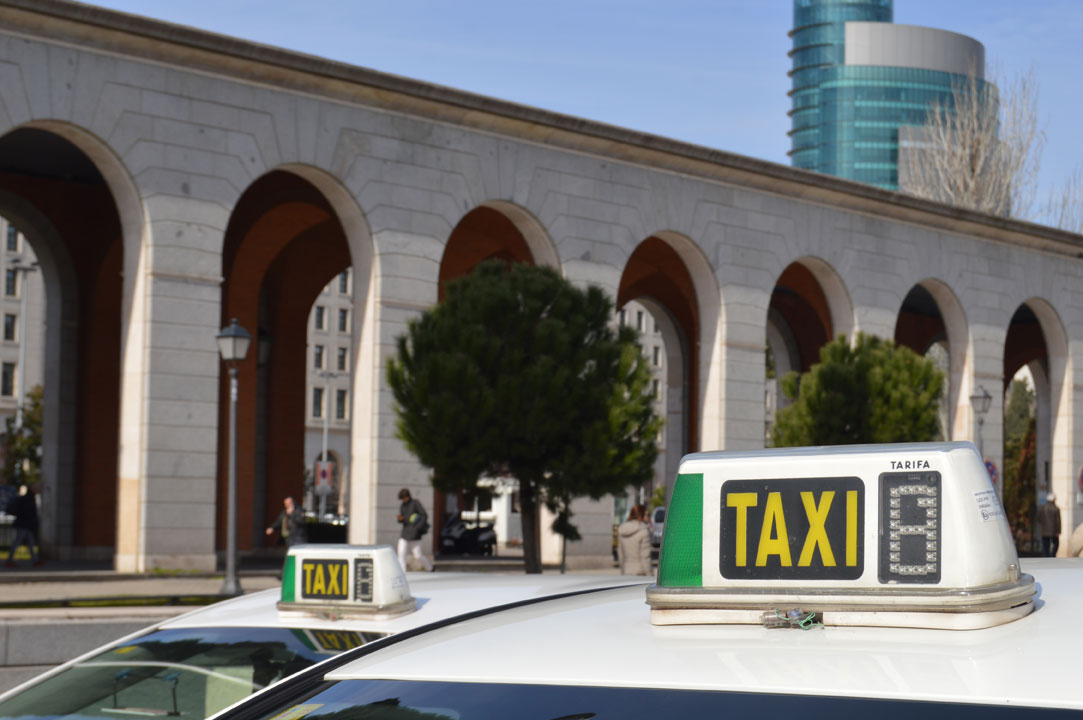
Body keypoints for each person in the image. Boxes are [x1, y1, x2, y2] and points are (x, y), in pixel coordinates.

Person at [397, 488, 433, 572]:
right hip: (405, 532)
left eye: (404, 498)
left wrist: (418, 527)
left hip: (415, 534)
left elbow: (424, 515)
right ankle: (402, 570)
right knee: (401, 552)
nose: (403, 500)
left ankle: (429, 568)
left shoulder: (415, 503)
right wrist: (400, 519)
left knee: (418, 555)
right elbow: (403, 518)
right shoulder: (403, 505)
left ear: (407, 496)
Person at [5, 485, 40, 568]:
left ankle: (35, 560)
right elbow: (28, 512)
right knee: (18, 541)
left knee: (31, 543)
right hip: (24, 524)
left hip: (26, 524)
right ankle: (9, 560)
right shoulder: (28, 499)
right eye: (36, 489)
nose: (37, 490)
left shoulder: (29, 498)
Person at [617, 504, 651, 575]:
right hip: (641, 572)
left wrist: (623, 572)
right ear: (641, 515)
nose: (648, 517)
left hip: (627, 571)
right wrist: (650, 575)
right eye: (647, 514)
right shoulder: (643, 531)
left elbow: (621, 555)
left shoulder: (622, 530)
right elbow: (645, 557)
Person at [1037, 492, 1061, 557]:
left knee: (1045, 544)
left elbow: (1038, 518)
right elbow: (1058, 521)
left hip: (1045, 530)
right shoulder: (1056, 508)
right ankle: (1053, 554)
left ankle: (1046, 555)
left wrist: (1043, 524)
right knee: (1056, 543)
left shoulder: (1043, 508)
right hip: (1054, 531)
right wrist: (1058, 531)